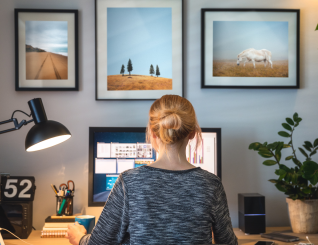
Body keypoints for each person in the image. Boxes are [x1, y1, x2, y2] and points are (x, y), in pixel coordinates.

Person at [66, 95, 238, 245]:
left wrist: (80, 238)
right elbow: (229, 242)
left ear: (153, 133)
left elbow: (100, 243)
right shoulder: (211, 184)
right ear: (192, 133)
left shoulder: (129, 182)